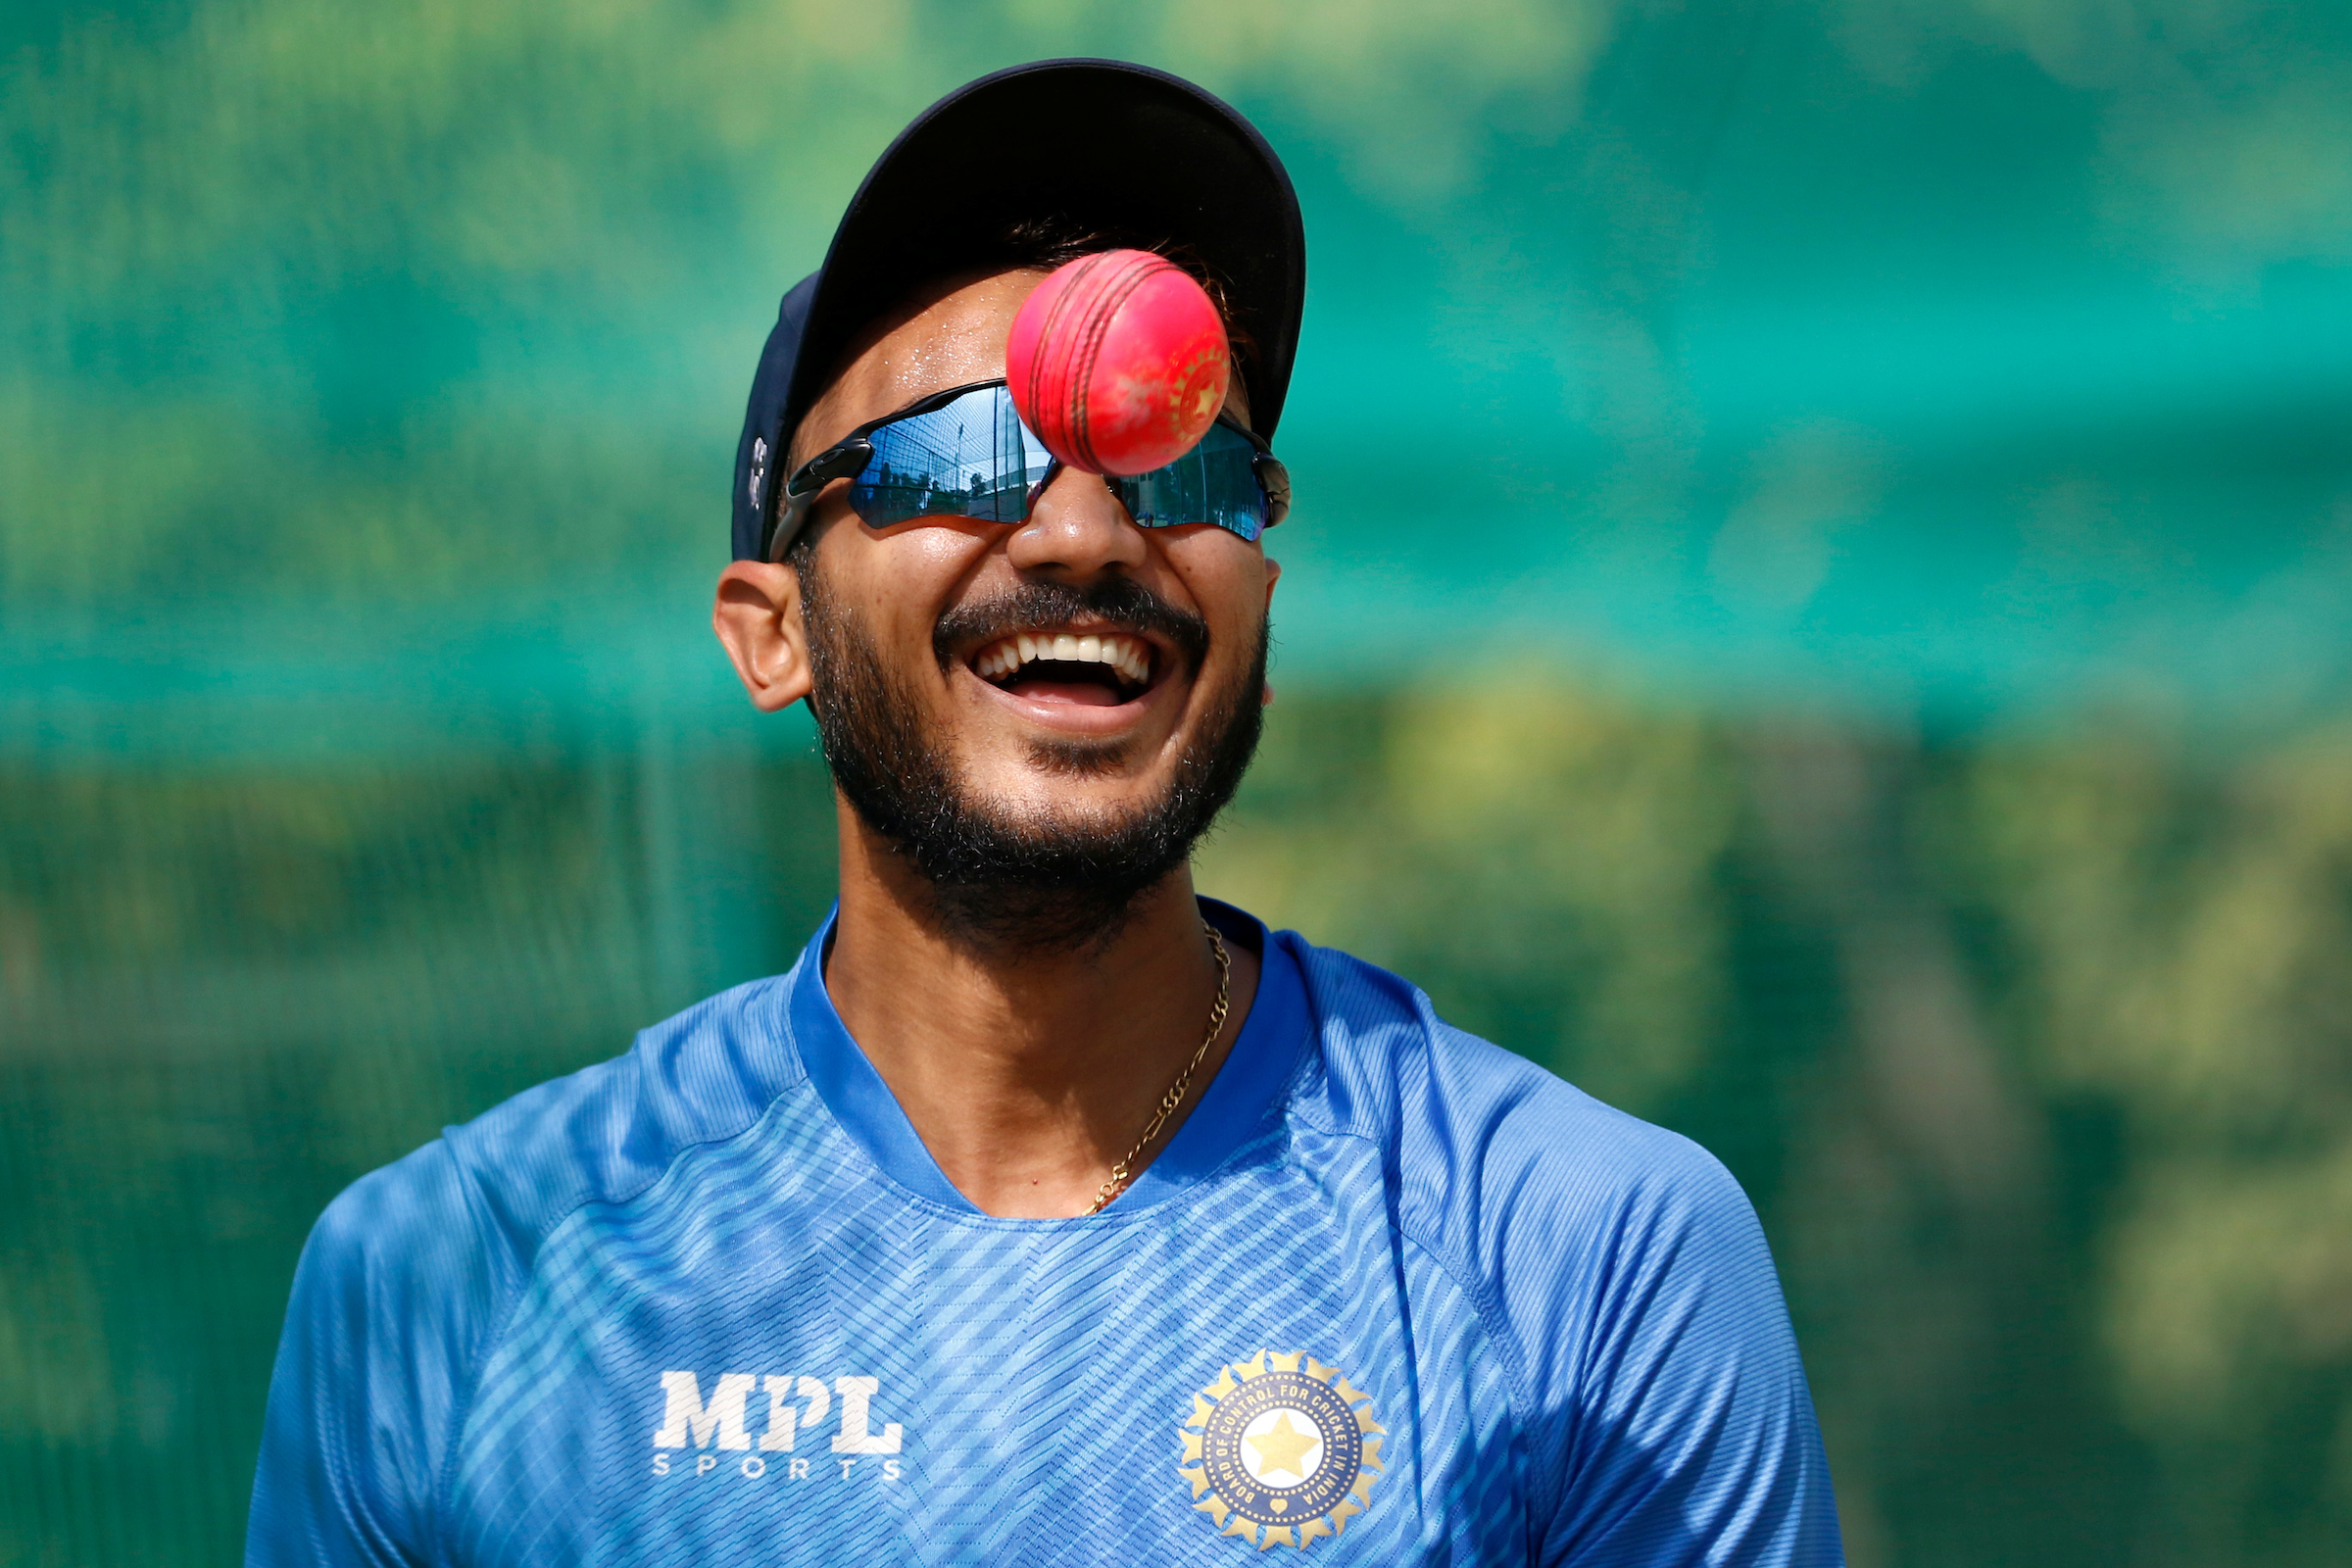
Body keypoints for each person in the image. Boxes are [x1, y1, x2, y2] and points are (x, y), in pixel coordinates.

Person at [246, 59, 1844, 1566]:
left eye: (1181, 462)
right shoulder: (455, 1281)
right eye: (963, 456)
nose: (1084, 531)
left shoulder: (1584, 1258)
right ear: (771, 629)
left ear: (1259, 620)